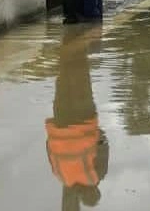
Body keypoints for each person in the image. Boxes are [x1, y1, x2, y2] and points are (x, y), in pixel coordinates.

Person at [45, 27, 109, 209]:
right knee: (64, 75)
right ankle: (68, 39)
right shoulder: (61, 176)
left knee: (80, 71)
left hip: (84, 118)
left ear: (94, 189)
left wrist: (96, 131)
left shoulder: (96, 176)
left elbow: (103, 145)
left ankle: (81, 35)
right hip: (60, 120)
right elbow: (48, 149)